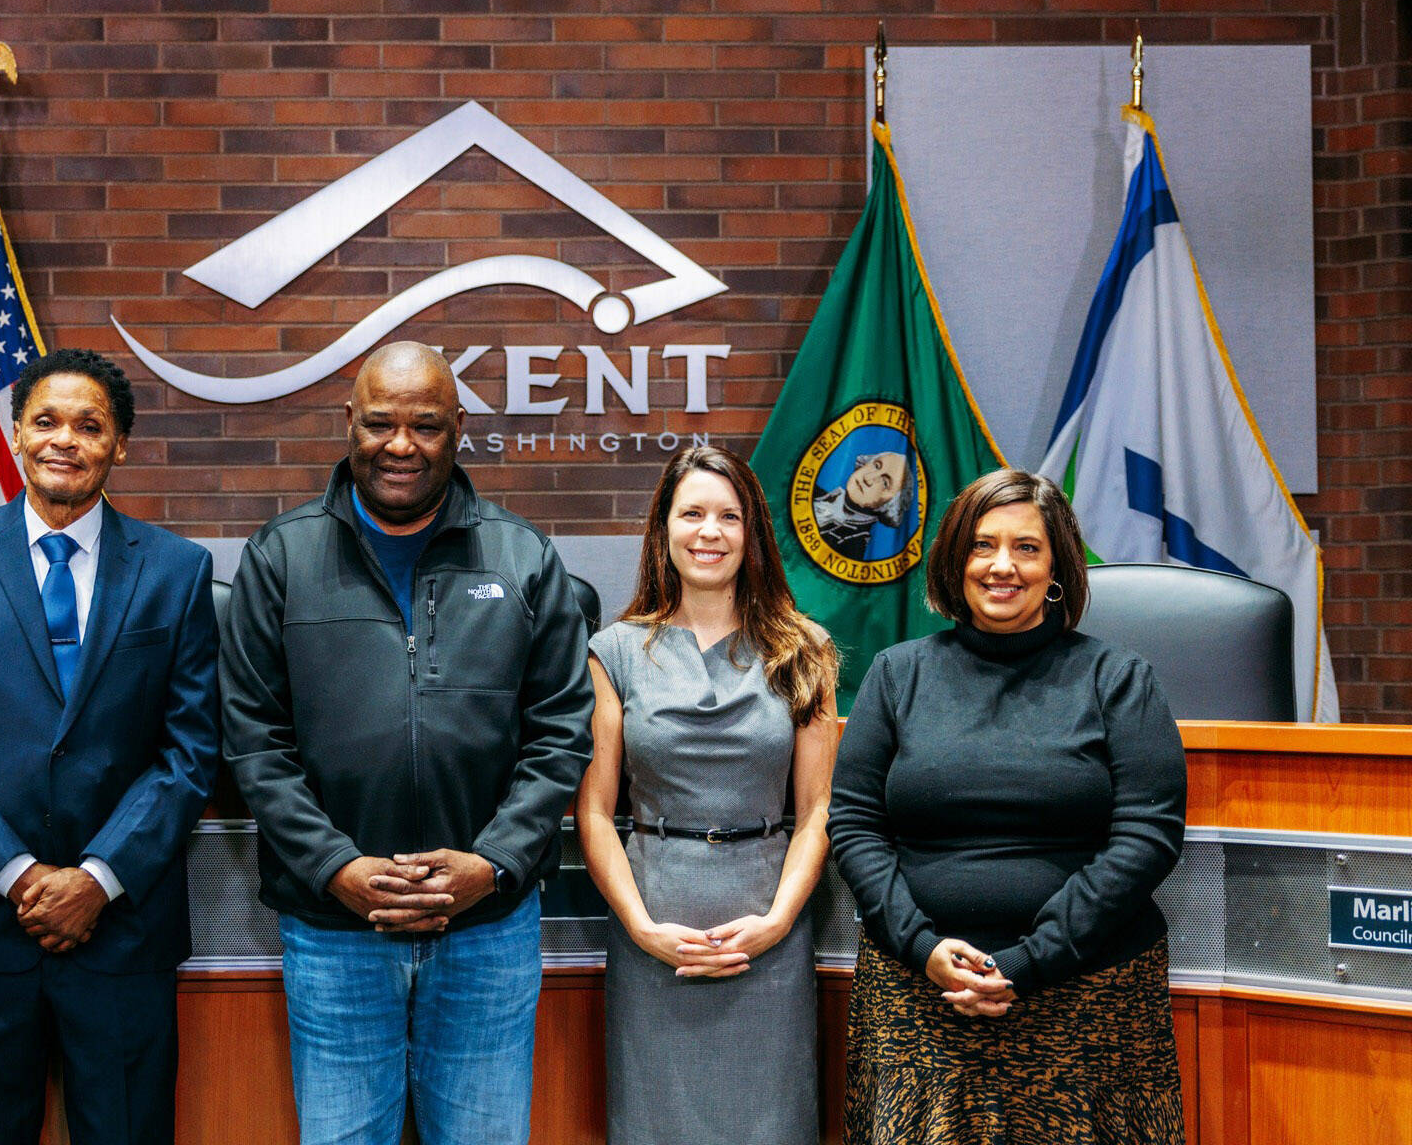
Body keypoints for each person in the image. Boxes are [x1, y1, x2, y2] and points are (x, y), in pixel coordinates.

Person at [220, 340, 593, 1145]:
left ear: (459, 428)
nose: (400, 445)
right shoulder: (280, 556)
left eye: (424, 425)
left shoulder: (523, 557)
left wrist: (493, 864)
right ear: (348, 422)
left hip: (487, 929)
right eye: (380, 423)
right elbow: (254, 741)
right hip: (334, 929)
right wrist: (336, 868)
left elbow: (561, 735)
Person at [0, 348, 220, 1145]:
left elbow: (189, 752)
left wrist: (98, 881)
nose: (64, 439)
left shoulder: (177, 570)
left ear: (120, 445)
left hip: (123, 934)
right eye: (46, 421)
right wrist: (23, 876)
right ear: (15, 435)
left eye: (90, 426)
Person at [827, 467, 1188, 1144]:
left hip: (1085, 998)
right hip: (920, 995)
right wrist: (921, 946)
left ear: (1056, 567)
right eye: (982, 545)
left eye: (1026, 547)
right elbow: (854, 824)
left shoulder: (1119, 678)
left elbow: (1148, 836)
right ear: (955, 560)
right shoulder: (896, 674)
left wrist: (1028, 962)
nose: (1002, 566)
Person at [577, 446, 838, 1145]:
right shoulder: (614, 651)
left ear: (752, 532)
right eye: (691, 513)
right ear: (663, 528)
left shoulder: (804, 649)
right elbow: (595, 813)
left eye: (729, 516)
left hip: (767, 933)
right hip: (653, 930)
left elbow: (817, 810)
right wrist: (641, 927)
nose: (709, 532)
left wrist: (778, 921)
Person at [813, 450, 914, 559]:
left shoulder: (851, 546)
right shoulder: (812, 492)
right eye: (876, 466)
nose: (868, 478)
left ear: (892, 504)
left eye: (885, 483)